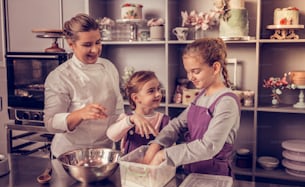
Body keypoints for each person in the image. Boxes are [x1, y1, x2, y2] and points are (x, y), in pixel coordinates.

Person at [143, 38, 241, 176]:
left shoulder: (227, 102)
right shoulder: (201, 95)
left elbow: (208, 146)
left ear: (215, 68)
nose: (190, 77)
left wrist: (163, 155)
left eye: (195, 71)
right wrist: (157, 144)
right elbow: (178, 124)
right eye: (188, 72)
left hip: (213, 176)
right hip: (192, 171)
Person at [44, 13, 124, 158]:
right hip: (69, 156)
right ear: (71, 44)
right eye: (87, 45)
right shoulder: (60, 77)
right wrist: (79, 114)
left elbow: (118, 110)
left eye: (98, 42)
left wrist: (130, 121)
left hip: (104, 153)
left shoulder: (109, 67)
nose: (95, 50)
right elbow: (50, 123)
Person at [107, 70, 170, 154]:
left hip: (153, 166)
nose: (158, 94)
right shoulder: (127, 118)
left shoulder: (164, 120)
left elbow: (170, 149)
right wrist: (130, 120)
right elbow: (112, 135)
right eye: (151, 91)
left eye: (158, 89)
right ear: (136, 98)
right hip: (129, 166)